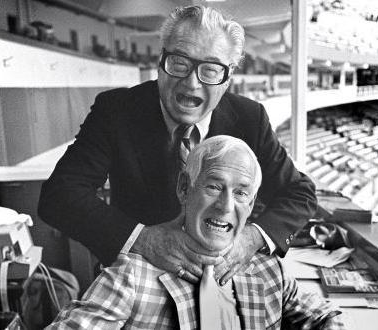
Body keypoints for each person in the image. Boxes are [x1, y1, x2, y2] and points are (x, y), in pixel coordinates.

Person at [38, 5, 317, 284]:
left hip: (219, 282)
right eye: (180, 63)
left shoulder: (250, 118)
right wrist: (144, 239)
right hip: (138, 278)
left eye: (210, 70)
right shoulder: (117, 111)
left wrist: (250, 239)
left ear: (228, 77)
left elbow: (299, 193)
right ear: (161, 61)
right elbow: (59, 195)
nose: (191, 83)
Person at [46, 136, 345, 329]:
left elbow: (323, 317)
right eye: (214, 187)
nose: (225, 206)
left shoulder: (269, 270)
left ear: (252, 204)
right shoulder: (132, 276)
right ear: (184, 189)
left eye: (241, 193)